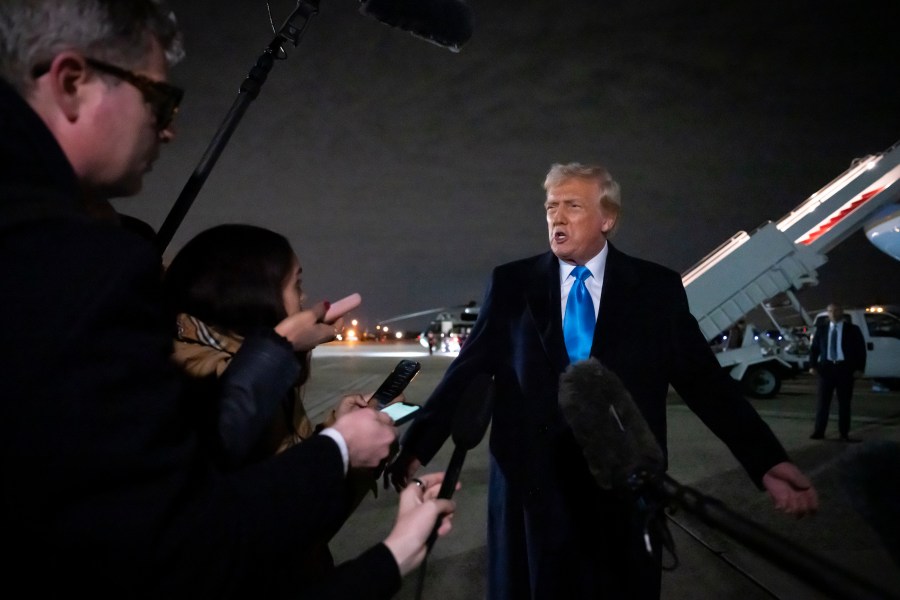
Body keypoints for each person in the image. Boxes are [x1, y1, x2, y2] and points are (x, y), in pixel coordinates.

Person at [0, 1, 454, 597]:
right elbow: (176, 546)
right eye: (159, 101)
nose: (169, 128)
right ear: (72, 83)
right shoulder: (68, 264)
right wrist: (354, 478)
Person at [390, 162, 819, 599]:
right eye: (551, 206)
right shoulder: (512, 283)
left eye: (573, 206)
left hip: (623, 494)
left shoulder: (655, 289)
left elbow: (706, 383)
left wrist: (765, 461)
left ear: (607, 218)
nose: (557, 217)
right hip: (532, 491)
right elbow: (469, 370)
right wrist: (416, 447)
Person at [808, 303, 867, 441]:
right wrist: (812, 365)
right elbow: (814, 349)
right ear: (827, 313)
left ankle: (844, 433)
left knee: (844, 403)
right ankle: (819, 431)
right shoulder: (821, 330)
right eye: (830, 311)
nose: (833, 313)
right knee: (823, 403)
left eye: (836, 311)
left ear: (842, 312)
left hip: (845, 370)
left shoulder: (852, 330)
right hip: (826, 369)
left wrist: (860, 369)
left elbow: (860, 350)